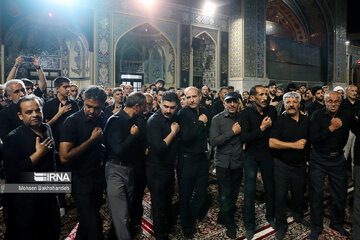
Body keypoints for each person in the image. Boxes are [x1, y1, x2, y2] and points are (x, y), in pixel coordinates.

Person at [3, 95, 60, 240]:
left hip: (49, 193)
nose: (34, 114)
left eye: (38, 110)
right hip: (26, 200)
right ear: (20, 116)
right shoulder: (13, 138)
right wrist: (37, 155)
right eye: (29, 112)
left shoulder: (46, 128)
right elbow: (12, 174)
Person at [308, 91, 358, 240]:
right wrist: (331, 128)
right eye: (330, 101)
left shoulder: (347, 114)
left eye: (336, 101)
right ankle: (316, 227)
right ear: (324, 102)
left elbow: (357, 130)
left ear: (340, 102)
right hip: (318, 159)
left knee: (340, 194)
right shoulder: (317, 115)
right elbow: (314, 139)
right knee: (316, 195)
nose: (333, 104)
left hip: (337, 159)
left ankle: (336, 224)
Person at [60, 86, 107, 240]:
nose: (92, 111)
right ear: (83, 101)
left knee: (88, 221)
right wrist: (91, 140)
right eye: (89, 106)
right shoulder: (72, 122)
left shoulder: (101, 117)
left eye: (97, 108)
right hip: (79, 178)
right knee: (95, 226)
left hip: (97, 176)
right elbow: (64, 156)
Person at [103, 92, 146, 240]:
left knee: (125, 212)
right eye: (144, 106)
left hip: (130, 170)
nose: (146, 108)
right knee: (121, 216)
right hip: (115, 169)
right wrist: (132, 135)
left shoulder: (136, 119)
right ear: (137, 106)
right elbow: (118, 150)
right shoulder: (116, 120)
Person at [269, 92, 310, 240]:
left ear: (299, 104)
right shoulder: (279, 121)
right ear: (284, 104)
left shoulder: (306, 120)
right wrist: (293, 145)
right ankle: (281, 225)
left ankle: (298, 216)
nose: (291, 104)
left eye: (294, 102)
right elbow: (271, 142)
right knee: (280, 197)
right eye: (288, 102)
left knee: (298, 193)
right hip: (281, 165)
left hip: (299, 165)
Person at [240, 85, 277, 240]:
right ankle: (250, 225)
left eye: (266, 94)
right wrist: (261, 129)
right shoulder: (246, 113)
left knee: (270, 187)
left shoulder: (272, 111)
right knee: (249, 191)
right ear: (253, 97)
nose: (265, 97)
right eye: (261, 95)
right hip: (251, 156)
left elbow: (276, 132)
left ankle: (271, 216)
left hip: (267, 155)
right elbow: (243, 138)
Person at [177, 86, 211, 238]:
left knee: (201, 193)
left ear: (200, 97)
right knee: (185, 195)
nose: (191, 100)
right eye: (188, 97)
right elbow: (186, 138)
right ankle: (186, 226)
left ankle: (192, 217)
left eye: (194, 97)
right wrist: (200, 123)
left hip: (202, 159)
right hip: (187, 160)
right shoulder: (182, 114)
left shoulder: (205, 110)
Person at [209, 91, 243, 239]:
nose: (232, 104)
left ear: (238, 103)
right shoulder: (217, 119)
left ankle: (223, 215)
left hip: (238, 161)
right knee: (225, 192)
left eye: (235, 101)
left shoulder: (242, 118)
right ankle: (229, 223)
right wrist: (232, 132)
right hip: (223, 162)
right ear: (224, 103)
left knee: (234, 192)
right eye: (229, 102)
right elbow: (214, 141)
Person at [146, 91, 179, 240]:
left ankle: (168, 225)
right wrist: (173, 133)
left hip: (168, 167)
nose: (168, 110)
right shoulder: (154, 120)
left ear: (176, 106)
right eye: (165, 106)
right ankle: (160, 235)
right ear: (160, 104)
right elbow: (159, 149)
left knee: (167, 199)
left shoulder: (174, 117)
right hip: (155, 168)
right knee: (158, 204)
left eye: (172, 107)